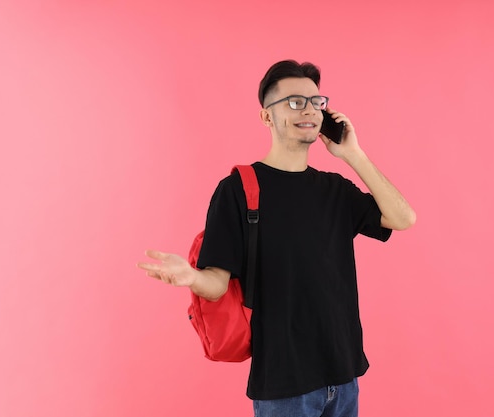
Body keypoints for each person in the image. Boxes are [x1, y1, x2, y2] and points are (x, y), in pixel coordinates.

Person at [137, 60, 416, 417]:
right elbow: (217, 283)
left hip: (345, 377)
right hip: (285, 385)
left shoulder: (335, 189)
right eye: (295, 102)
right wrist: (192, 278)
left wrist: (352, 154)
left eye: (317, 103)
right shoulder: (238, 189)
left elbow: (403, 218)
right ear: (267, 117)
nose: (310, 110)